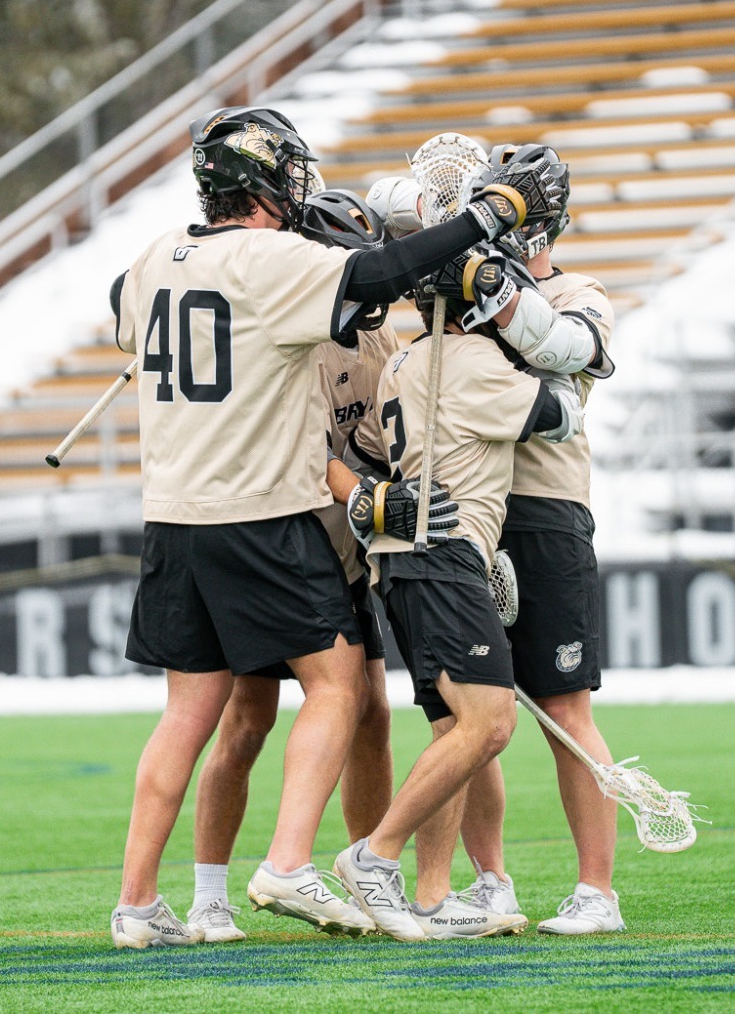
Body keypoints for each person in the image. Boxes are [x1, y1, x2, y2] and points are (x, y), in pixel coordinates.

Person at [107, 105, 557, 949]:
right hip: (259, 511)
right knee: (340, 686)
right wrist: (488, 216)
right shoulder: (273, 257)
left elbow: (119, 308)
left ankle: (138, 902)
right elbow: (381, 273)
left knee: (187, 715)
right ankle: (287, 861)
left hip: (171, 518)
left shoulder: (152, 258)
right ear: (264, 181)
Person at [182, 189, 457, 944]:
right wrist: (372, 499)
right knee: (248, 717)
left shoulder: (372, 331)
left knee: (369, 708)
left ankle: (367, 874)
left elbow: (376, 442)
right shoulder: (291, 332)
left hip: (342, 552)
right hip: (282, 541)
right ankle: (211, 895)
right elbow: (308, 450)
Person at [333, 249, 584, 942]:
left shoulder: (402, 362)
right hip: (443, 554)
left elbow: (363, 450)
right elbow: (562, 412)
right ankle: (374, 853)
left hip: (405, 560)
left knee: (453, 730)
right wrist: (543, 331)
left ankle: (436, 893)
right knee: (490, 723)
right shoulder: (475, 363)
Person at [446, 144, 630, 936]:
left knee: (564, 705)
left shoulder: (578, 292)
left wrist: (489, 282)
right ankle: (491, 881)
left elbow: (566, 350)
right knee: (466, 718)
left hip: (548, 509)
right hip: (472, 511)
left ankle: (598, 892)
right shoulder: (452, 286)